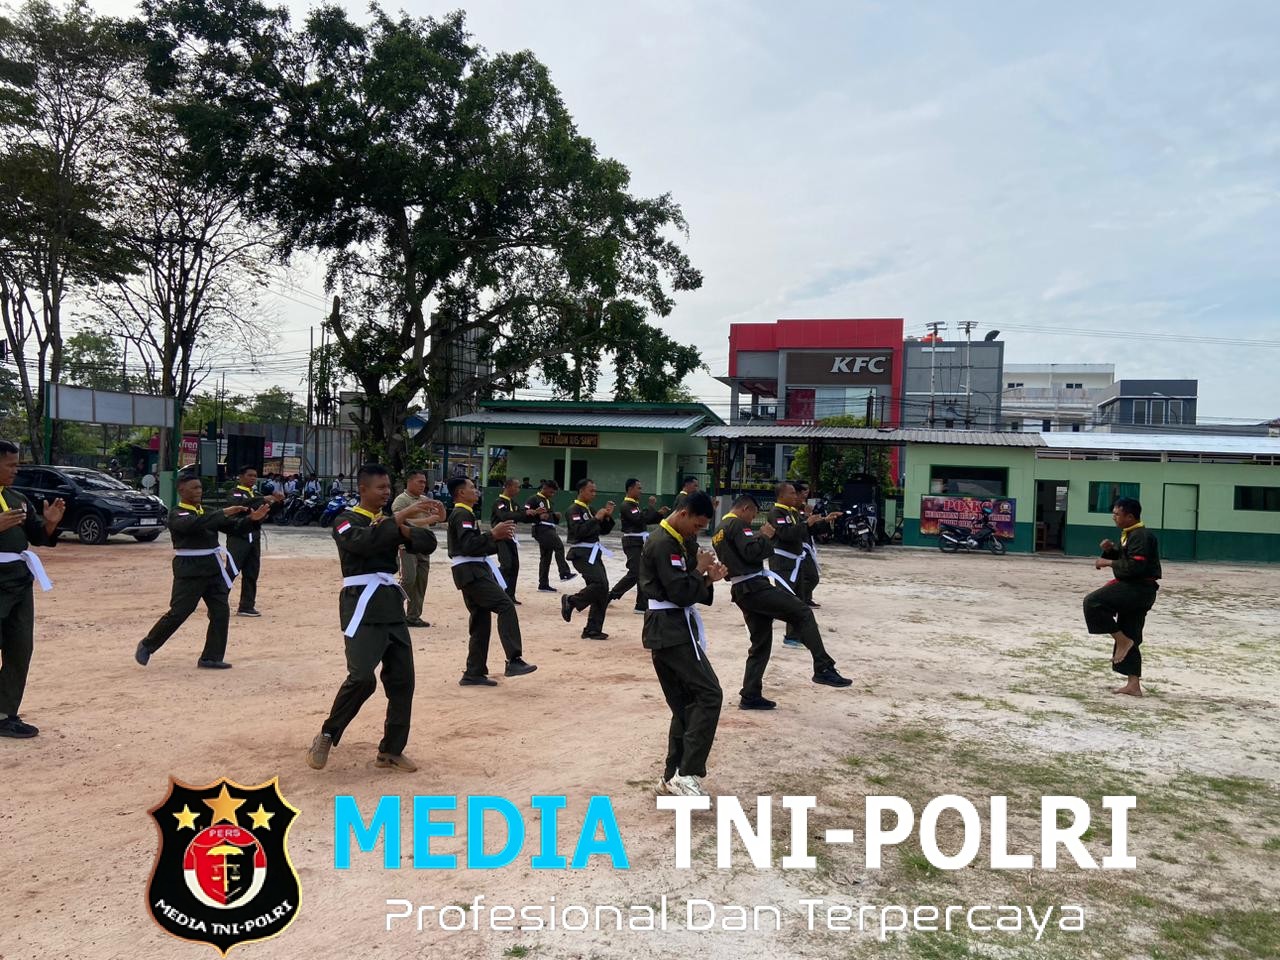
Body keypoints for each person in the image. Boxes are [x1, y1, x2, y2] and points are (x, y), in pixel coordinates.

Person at [306, 464, 441, 773]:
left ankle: (391, 751)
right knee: (362, 678)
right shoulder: (345, 521)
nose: (386, 492)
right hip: (361, 607)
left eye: (388, 488)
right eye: (380, 488)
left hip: (391, 606)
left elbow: (428, 544)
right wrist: (401, 520)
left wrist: (407, 529)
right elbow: (363, 543)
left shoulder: (389, 522)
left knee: (403, 681)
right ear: (363, 489)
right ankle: (327, 734)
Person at [713, 493, 852, 709]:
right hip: (754, 587)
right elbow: (752, 553)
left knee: (760, 644)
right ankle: (823, 667)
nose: (753, 518)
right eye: (753, 514)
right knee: (802, 611)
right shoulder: (738, 524)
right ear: (745, 509)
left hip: (742, 589)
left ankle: (750, 694)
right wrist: (765, 536)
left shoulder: (719, 529)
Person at [639, 492, 728, 797]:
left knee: (685, 705)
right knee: (709, 693)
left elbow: (686, 589)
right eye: (698, 525)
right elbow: (678, 592)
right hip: (670, 630)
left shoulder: (676, 539)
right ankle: (687, 772)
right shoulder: (664, 542)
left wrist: (707, 579)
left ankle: (671, 777)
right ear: (685, 513)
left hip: (671, 628)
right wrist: (701, 570)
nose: (698, 532)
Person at [136, 474, 264, 670]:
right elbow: (194, 525)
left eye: (200, 488)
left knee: (221, 612)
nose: (198, 491)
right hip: (190, 570)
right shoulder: (178, 514)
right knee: (179, 612)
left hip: (212, 569)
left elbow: (234, 527)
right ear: (181, 491)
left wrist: (251, 520)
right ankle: (148, 644)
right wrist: (224, 512)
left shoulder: (207, 512)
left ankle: (211, 657)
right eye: (194, 488)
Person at [0, 439, 65, 738]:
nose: (16, 470)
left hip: (19, 579)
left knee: (19, 647)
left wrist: (50, 524)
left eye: (17, 464)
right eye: (10, 464)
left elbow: (38, 535)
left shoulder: (16, 498)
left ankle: (4, 714)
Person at [446, 476, 537, 686]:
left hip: (471, 570)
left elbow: (475, 546)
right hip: (471, 571)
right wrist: (493, 535)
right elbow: (469, 545)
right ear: (461, 493)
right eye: (472, 488)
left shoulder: (465, 513)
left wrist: (496, 539)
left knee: (480, 621)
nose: (476, 491)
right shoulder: (462, 514)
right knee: (505, 605)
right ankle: (513, 659)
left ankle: (474, 672)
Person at [1084, 497, 1161, 697]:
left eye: (1117, 514)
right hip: (1141, 591)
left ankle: (1121, 640)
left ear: (1130, 516)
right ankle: (1133, 684)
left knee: (1092, 602)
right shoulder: (1129, 534)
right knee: (1131, 632)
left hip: (1137, 589)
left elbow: (1135, 566)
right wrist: (1110, 550)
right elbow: (1125, 557)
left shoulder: (1141, 536)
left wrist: (1108, 562)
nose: (1114, 517)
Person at [226, 466, 285, 618]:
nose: (253, 478)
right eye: (250, 475)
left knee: (252, 572)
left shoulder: (257, 494)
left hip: (254, 536)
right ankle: (218, 601)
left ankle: (246, 605)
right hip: (239, 536)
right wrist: (264, 499)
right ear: (241, 477)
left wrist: (278, 502)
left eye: (255, 476)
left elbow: (269, 510)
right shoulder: (235, 492)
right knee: (231, 570)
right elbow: (243, 505)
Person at [561, 478, 616, 640]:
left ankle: (592, 629)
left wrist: (606, 517)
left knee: (603, 589)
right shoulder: (574, 510)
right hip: (581, 553)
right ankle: (571, 600)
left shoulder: (589, 509)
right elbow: (578, 532)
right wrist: (596, 518)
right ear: (581, 491)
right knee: (599, 584)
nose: (594, 493)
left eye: (595, 490)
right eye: (591, 490)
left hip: (593, 552)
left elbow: (603, 531)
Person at [608, 477, 669, 613]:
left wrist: (658, 513)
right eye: (638, 488)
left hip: (638, 542)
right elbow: (640, 519)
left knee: (643, 572)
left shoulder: (634, 505)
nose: (641, 491)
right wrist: (652, 509)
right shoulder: (627, 505)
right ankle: (610, 595)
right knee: (635, 572)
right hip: (632, 542)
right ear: (630, 489)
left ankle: (641, 605)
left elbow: (645, 520)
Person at [392, 470, 441, 628]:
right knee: (409, 579)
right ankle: (393, 608)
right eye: (420, 482)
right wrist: (428, 519)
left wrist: (437, 511)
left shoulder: (424, 500)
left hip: (423, 544)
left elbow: (439, 517)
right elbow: (401, 523)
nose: (423, 485)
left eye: (424, 482)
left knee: (421, 581)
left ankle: (413, 616)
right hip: (407, 545)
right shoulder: (401, 501)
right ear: (410, 481)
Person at [792, 481, 841, 608]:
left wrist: (825, 520)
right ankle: (799, 599)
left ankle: (804, 598)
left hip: (806, 547)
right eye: (804, 491)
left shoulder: (803, 508)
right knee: (810, 577)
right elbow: (797, 529)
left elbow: (811, 528)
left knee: (809, 577)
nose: (806, 494)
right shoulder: (789, 511)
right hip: (797, 549)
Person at [489, 477, 538, 604]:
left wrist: (536, 514)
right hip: (500, 536)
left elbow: (522, 516)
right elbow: (504, 516)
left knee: (514, 566)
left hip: (510, 537)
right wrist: (525, 513)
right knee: (506, 565)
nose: (518, 489)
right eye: (516, 486)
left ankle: (510, 595)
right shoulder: (499, 502)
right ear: (508, 487)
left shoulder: (514, 503)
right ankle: (489, 585)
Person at [525, 479, 576, 592]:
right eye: (551, 492)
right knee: (559, 546)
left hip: (549, 528)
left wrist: (555, 516)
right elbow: (526, 513)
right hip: (541, 528)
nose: (552, 494)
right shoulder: (533, 499)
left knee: (546, 557)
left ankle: (543, 584)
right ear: (545, 488)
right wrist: (537, 515)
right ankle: (564, 573)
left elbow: (548, 516)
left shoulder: (548, 501)